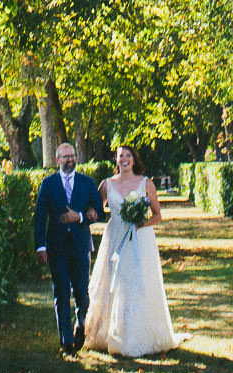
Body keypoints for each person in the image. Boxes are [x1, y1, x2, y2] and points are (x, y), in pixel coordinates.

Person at [82, 144, 178, 357]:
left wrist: (139, 223)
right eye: (120, 156)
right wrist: (88, 211)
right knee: (114, 282)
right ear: (116, 160)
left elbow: (157, 215)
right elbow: (97, 210)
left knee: (137, 282)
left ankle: (137, 336)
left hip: (140, 238)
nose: (124, 159)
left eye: (128, 155)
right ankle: (109, 334)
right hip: (115, 237)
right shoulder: (106, 184)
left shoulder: (146, 183)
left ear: (134, 159)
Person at [32, 141, 106, 354]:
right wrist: (40, 247)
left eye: (72, 155)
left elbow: (99, 213)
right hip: (56, 247)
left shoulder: (86, 182)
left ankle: (80, 324)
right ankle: (66, 342)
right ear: (57, 160)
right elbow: (39, 218)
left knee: (82, 292)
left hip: (80, 246)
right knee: (61, 293)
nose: (70, 159)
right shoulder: (48, 184)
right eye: (65, 156)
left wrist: (81, 216)